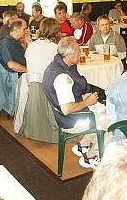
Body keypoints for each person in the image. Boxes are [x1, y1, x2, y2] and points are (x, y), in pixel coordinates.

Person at [43, 37, 102, 167]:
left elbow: (70, 92)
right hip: (70, 120)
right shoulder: (62, 77)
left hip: (71, 111)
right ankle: (92, 155)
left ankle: (84, 144)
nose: (80, 53)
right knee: (108, 120)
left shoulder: (59, 64)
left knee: (102, 111)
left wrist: (82, 96)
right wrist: (87, 102)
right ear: (69, 55)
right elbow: (67, 109)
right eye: (78, 52)